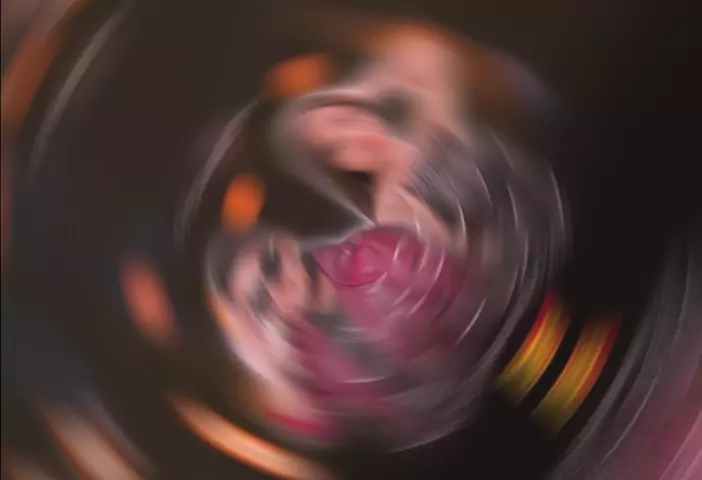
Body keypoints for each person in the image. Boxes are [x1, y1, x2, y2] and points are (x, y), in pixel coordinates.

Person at [207, 223, 486, 450]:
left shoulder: (380, 254)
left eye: (272, 265)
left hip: (487, 390)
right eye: (260, 298)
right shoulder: (303, 357)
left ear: (286, 243)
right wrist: (267, 364)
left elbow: (474, 304)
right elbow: (329, 435)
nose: (278, 288)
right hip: (433, 451)